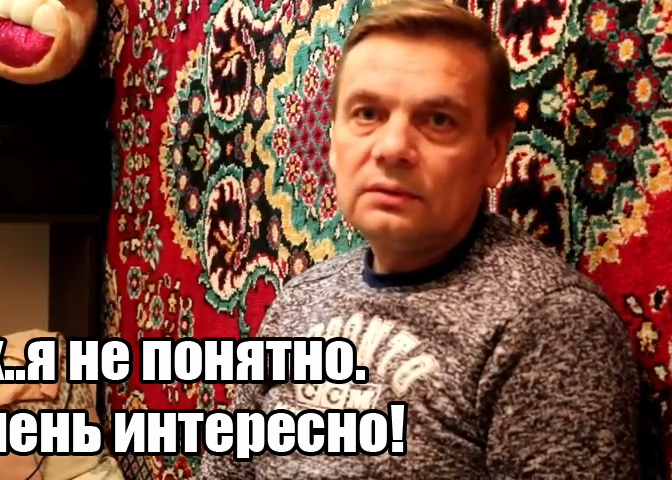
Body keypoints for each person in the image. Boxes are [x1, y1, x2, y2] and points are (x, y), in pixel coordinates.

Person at [199, 0, 646, 478]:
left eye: (438, 120)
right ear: (331, 144)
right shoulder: (297, 301)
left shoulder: (550, 325)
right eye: (367, 113)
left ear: (494, 153)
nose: (392, 147)